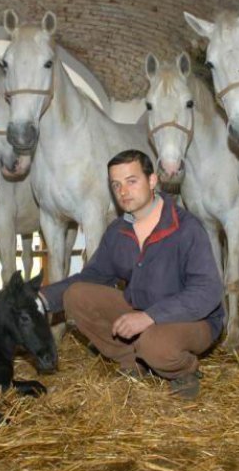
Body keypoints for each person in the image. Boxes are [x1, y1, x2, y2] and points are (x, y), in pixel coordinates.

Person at [37, 149, 224, 399]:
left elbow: (208, 291)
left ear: (152, 181)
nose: (123, 192)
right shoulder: (118, 231)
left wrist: (151, 316)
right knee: (76, 295)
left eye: (131, 181)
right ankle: (133, 360)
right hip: (142, 312)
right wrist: (42, 299)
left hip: (193, 320)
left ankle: (184, 370)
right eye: (116, 185)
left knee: (155, 344)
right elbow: (92, 276)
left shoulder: (186, 228)